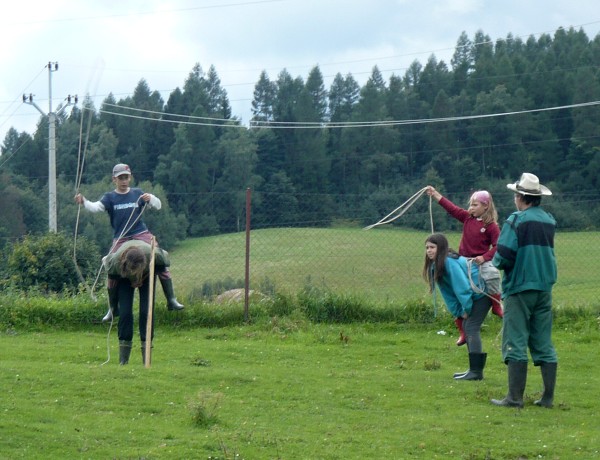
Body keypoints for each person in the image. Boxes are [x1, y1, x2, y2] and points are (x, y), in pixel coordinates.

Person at [75, 163, 184, 322]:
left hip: (141, 234)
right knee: (111, 266)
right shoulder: (109, 197)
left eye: (126, 177)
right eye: (120, 178)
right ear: (114, 179)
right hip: (121, 237)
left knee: (160, 258)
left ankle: (171, 299)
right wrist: (84, 201)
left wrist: (151, 198)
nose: (124, 181)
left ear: (130, 177)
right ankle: (113, 309)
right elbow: (96, 208)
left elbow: (158, 206)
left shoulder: (138, 194)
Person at [491, 173, 558, 408]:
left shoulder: (516, 220)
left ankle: (514, 398)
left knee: (516, 339)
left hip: (520, 287)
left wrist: (495, 264)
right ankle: (547, 398)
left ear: (521, 197)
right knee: (543, 341)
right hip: (544, 286)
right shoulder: (548, 220)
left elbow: (504, 255)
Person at [426, 186, 503, 347]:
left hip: (481, 262)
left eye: (475, 205)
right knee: (455, 290)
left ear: (486, 206)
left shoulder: (491, 226)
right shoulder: (468, 218)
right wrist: (435, 195)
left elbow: (498, 246)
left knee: (493, 276)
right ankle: (462, 330)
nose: (471, 208)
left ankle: (496, 305)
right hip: (463, 261)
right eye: (471, 205)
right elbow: (452, 209)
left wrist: (485, 257)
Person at [423, 233, 492, 380]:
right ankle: (473, 370)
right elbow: (448, 293)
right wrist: (457, 312)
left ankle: (476, 372)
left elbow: (463, 288)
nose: (429, 250)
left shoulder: (449, 262)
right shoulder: (437, 265)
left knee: (471, 328)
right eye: (427, 247)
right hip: (473, 296)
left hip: (481, 294)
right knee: (468, 327)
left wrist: (466, 310)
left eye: (432, 247)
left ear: (440, 248)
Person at [103, 239, 169, 364]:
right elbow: (112, 285)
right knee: (125, 313)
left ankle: (147, 359)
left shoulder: (155, 256)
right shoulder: (114, 263)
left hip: (147, 274)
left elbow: (165, 273)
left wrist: (170, 298)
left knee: (146, 313)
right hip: (124, 277)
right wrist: (112, 306)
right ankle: (123, 361)